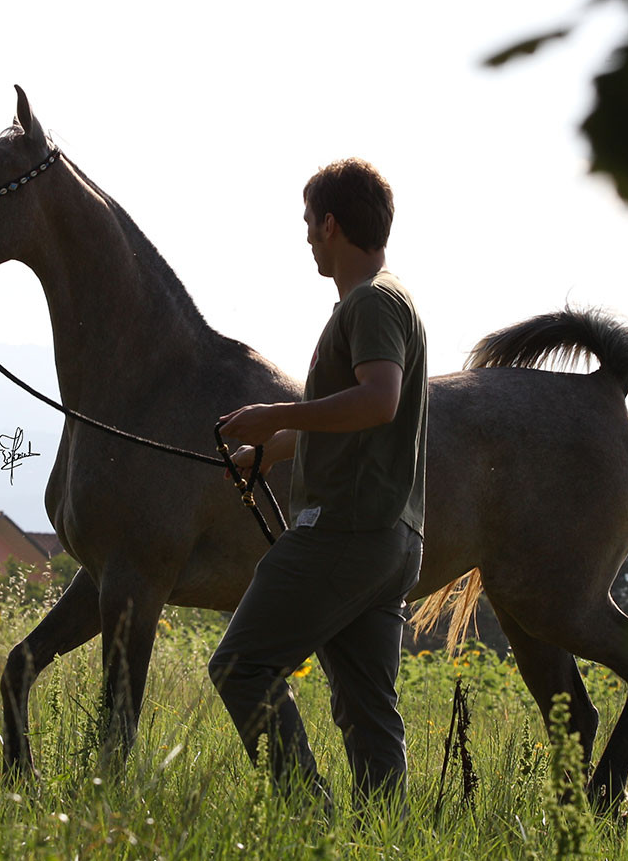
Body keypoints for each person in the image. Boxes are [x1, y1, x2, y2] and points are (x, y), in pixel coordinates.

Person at [210, 157, 428, 814]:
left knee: (242, 668)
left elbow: (379, 401)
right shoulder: (386, 300)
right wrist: (273, 452)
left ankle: (309, 816)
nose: (306, 236)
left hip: (343, 531)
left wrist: (275, 412)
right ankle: (378, 838)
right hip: (389, 538)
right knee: (367, 712)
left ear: (331, 224)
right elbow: (352, 418)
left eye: (309, 222)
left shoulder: (372, 303)